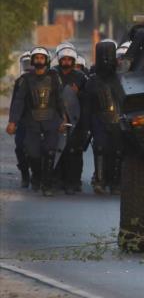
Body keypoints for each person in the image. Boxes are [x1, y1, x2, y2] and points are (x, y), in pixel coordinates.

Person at [7, 47, 67, 196]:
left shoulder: (54, 77)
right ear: (33, 61)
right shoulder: (26, 80)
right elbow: (19, 101)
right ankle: (37, 176)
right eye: (36, 58)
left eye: (42, 57)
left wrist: (63, 118)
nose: (39, 60)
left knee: (50, 150)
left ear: (46, 60)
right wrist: (13, 121)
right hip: (32, 120)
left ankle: (47, 184)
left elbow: (60, 99)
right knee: (33, 152)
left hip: (51, 119)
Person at [84, 40, 124, 195]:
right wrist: (86, 126)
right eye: (103, 56)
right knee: (100, 148)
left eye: (109, 56)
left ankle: (115, 183)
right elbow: (87, 105)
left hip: (118, 119)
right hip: (98, 119)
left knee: (118, 151)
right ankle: (100, 181)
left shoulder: (121, 79)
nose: (106, 60)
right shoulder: (93, 80)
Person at [54, 46, 89, 194]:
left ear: (73, 61)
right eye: (64, 59)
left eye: (69, 59)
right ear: (60, 60)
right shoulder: (53, 74)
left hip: (76, 120)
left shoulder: (81, 77)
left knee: (75, 152)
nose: (67, 62)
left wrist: (78, 93)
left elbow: (88, 97)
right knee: (57, 150)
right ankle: (57, 181)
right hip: (57, 119)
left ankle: (74, 182)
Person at [8, 52, 32, 188]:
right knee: (20, 147)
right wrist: (13, 121)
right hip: (23, 120)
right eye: (26, 64)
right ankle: (25, 174)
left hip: (40, 120)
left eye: (31, 63)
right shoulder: (20, 81)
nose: (29, 67)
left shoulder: (47, 79)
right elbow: (15, 103)